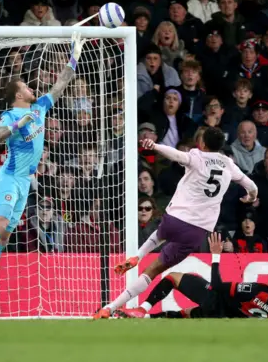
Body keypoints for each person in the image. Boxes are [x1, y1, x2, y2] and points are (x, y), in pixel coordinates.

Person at [0, 32, 87, 317]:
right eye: (27, 87)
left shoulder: (40, 106)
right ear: (19, 94)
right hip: (9, 178)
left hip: (26, 183)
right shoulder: (11, 115)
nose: (32, 89)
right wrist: (20, 125)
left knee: (4, 238)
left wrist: (75, 54)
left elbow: (61, 83)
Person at [93, 127, 259, 319]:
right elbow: (252, 186)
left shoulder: (197, 156)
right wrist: (250, 197)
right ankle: (110, 308)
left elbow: (177, 155)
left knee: (161, 234)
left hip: (175, 219)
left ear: (202, 144)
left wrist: (154, 145)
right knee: (153, 270)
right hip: (197, 232)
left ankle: (137, 256)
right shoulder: (228, 164)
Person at [117, 233, 268, 319]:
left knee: (173, 277)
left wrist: (216, 255)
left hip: (214, 299)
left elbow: (217, 285)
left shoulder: (254, 290)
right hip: (223, 316)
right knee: (185, 314)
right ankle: (147, 319)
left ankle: (142, 310)